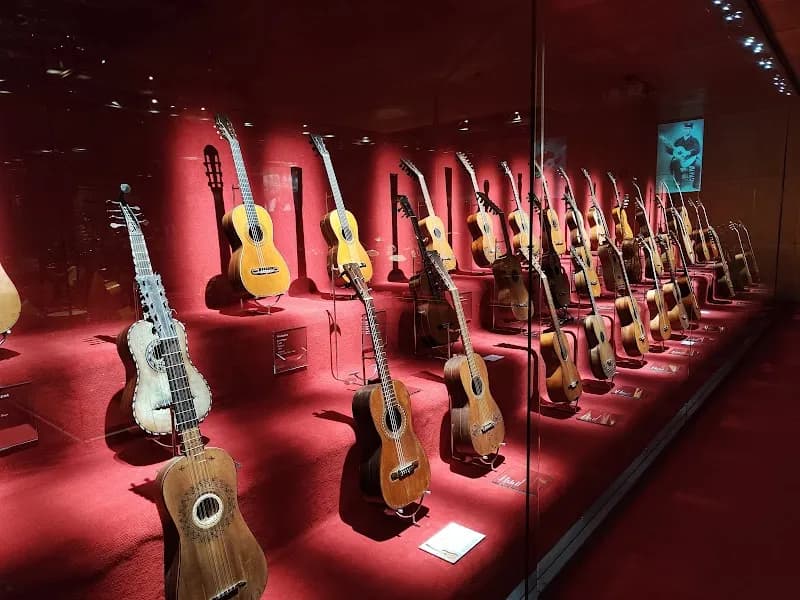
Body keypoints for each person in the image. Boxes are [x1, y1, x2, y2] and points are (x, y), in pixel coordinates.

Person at [661, 121, 702, 190]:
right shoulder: (678, 141)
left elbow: (697, 149)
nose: (687, 130)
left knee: (698, 163)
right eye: (685, 128)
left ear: (691, 130)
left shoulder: (694, 140)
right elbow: (671, 152)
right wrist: (667, 146)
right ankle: (678, 182)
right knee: (675, 162)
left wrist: (688, 153)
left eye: (689, 129)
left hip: (691, 159)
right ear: (683, 129)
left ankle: (696, 184)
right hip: (680, 160)